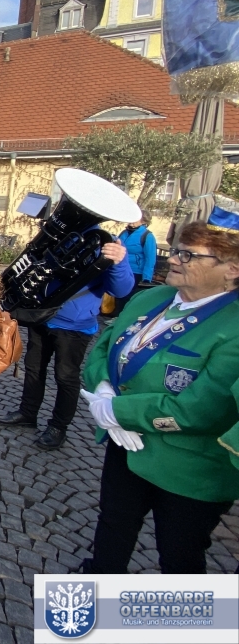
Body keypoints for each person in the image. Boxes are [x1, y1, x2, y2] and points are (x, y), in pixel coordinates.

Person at [77, 215, 239, 573]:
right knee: (112, 527)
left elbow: (203, 408)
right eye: (177, 250)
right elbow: (104, 347)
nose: (174, 259)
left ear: (232, 269)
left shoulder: (234, 326)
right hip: (125, 447)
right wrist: (103, 387)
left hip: (190, 469)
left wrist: (118, 412)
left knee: (180, 556)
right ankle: (100, 588)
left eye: (189, 255)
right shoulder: (149, 299)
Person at [0, 233, 133, 449]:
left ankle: (58, 426)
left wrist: (119, 262)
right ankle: (28, 413)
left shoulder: (105, 241)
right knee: (33, 368)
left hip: (75, 325)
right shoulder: (63, 233)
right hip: (42, 316)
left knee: (65, 376)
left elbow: (121, 290)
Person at [114, 209, 157, 315]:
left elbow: (150, 258)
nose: (131, 221)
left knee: (128, 295)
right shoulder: (124, 233)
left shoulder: (147, 236)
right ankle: (115, 315)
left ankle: (121, 316)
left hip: (136, 271)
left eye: (135, 219)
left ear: (143, 221)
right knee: (118, 292)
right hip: (121, 267)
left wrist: (146, 277)